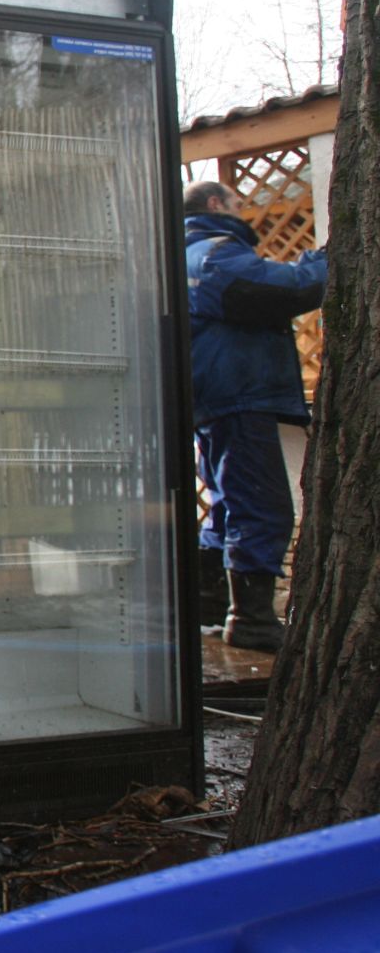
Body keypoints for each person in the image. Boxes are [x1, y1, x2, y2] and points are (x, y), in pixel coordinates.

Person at [183, 180, 326, 652]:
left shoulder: (182, 254)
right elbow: (281, 288)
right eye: (238, 203)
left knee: (228, 500)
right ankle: (253, 621)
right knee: (260, 504)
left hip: (216, 394)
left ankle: (210, 601)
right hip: (238, 392)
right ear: (215, 204)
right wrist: (324, 260)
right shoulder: (215, 253)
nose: (243, 212)